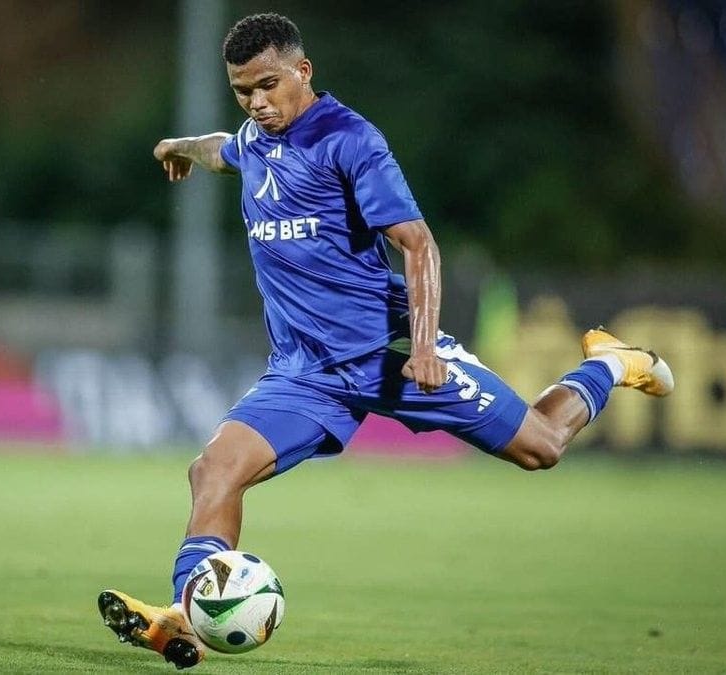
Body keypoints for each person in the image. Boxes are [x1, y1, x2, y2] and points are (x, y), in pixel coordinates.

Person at [97, 13, 673, 670]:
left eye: (267, 85)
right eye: (242, 91)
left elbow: (418, 245)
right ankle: (185, 611)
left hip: (390, 354)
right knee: (213, 470)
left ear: (302, 71)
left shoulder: (350, 140)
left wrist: (424, 347)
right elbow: (223, 149)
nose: (256, 102)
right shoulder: (255, 139)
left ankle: (610, 363)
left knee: (540, 446)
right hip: (305, 373)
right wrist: (180, 146)